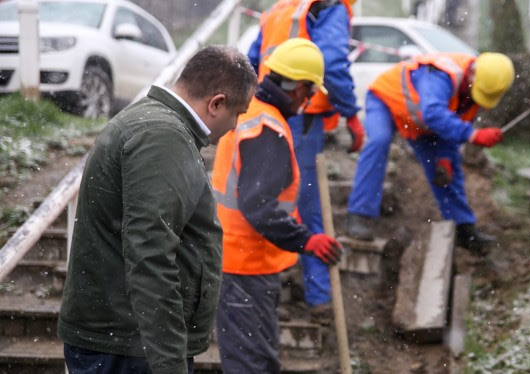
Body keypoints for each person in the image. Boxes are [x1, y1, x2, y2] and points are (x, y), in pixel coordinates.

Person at [57, 46, 257, 374]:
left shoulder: (157, 125)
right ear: (216, 103)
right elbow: (150, 254)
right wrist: (169, 363)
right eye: (238, 113)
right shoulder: (161, 135)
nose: (235, 125)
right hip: (129, 347)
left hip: (129, 341)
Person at [212, 38, 343, 373]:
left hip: (238, 261)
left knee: (257, 360)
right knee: (251, 363)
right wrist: (306, 239)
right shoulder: (267, 129)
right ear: (298, 87)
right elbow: (258, 205)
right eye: (311, 93)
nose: (309, 101)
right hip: (244, 266)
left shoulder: (251, 111)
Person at [247, 0, 361, 320]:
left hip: (270, 107)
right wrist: (351, 114)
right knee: (306, 202)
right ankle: (319, 295)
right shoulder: (330, 8)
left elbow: (254, 60)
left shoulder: (281, 9)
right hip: (302, 112)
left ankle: (275, 284)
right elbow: (335, 63)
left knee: (273, 196)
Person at [346, 52, 514, 252]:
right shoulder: (440, 74)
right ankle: (358, 216)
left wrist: (443, 157)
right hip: (386, 100)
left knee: (449, 168)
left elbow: (450, 129)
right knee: (379, 141)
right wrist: (473, 135)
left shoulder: (474, 92)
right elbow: (433, 113)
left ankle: (463, 228)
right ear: (473, 73)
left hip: (419, 122)